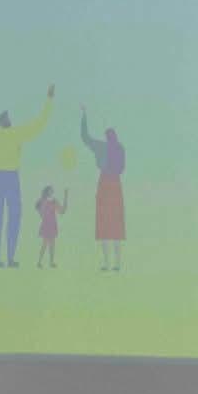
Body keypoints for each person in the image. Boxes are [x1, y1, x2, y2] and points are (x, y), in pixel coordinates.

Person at [0, 85, 54, 268]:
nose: (8, 119)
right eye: (5, 117)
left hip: (8, 177)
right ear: (1, 120)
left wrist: (49, 101)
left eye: (8, 116)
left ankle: (8, 257)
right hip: (2, 177)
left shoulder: (11, 133)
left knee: (12, 217)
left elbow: (39, 124)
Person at [81, 108, 125, 272]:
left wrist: (84, 116)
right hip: (115, 185)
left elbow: (85, 138)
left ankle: (108, 263)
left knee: (105, 225)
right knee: (116, 225)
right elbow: (122, 168)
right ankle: (116, 264)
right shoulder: (119, 148)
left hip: (105, 184)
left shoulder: (101, 147)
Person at [34, 186, 69, 269]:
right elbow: (40, 211)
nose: (51, 192)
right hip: (46, 224)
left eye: (52, 191)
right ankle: (39, 261)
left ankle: (51, 262)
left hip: (52, 224)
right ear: (46, 191)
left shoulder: (54, 201)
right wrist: (42, 212)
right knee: (45, 243)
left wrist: (66, 196)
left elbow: (62, 211)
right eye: (50, 191)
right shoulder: (42, 201)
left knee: (52, 244)